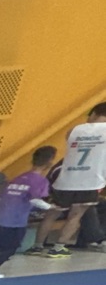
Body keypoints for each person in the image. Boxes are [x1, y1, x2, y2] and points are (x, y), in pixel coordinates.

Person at [38, 101, 106, 253]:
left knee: (51, 214)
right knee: (76, 216)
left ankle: (37, 246)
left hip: (67, 178)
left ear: (94, 114)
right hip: (89, 180)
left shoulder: (74, 130)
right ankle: (58, 248)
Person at [0, 146, 56, 280]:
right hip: (16, 221)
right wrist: (51, 207)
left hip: (1, 218)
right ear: (49, 162)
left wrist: (0, 213)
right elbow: (35, 200)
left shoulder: (18, 178)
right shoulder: (40, 181)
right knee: (11, 248)